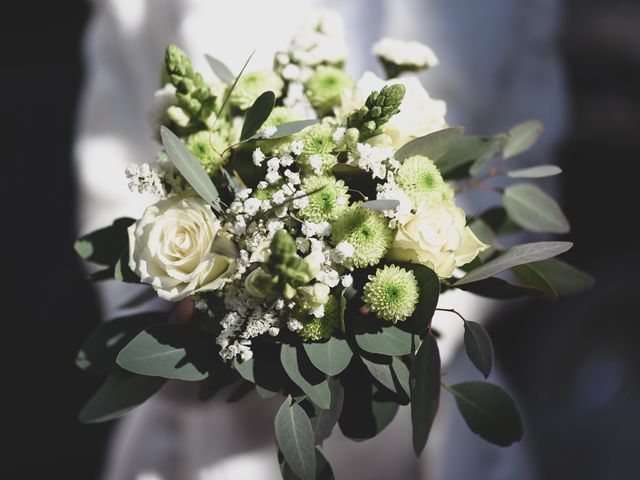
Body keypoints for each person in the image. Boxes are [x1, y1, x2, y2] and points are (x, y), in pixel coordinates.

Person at [75, 0, 565, 478]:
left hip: (430, 407)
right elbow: (114, 170)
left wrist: (418, 312)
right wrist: (199, 317)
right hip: (213, 431)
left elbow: (523, 177)